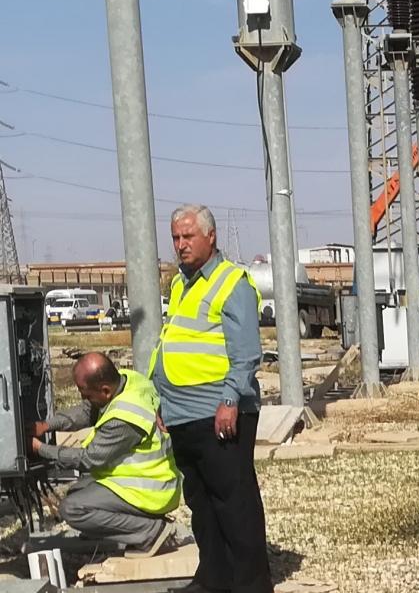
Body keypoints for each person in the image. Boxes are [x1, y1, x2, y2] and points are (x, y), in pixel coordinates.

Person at [151, 204, 272, 593]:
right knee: (201, 505)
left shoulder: (231, 282)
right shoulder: (180, 284)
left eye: (188, 236)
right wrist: (163, 401)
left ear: (211, 236)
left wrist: (230, 400)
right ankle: (213, 580)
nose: (180, 244)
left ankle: (251, 585)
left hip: (218, 411)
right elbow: (176, 342)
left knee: (235, 505)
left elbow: (246, 353)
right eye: (175, 237)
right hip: (182, 413)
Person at [29, 352, 180, 556]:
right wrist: (47, 425)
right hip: (151, 479)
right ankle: (115, 529)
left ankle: (151, 532)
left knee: (72, 508)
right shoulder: (129, 381)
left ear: (105, 391)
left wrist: (41, 449)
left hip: (152, 490)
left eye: (86, 394)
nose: (84, 398)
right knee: (78, 491)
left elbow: (89, 459)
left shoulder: (123, 419)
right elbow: (86, 411)